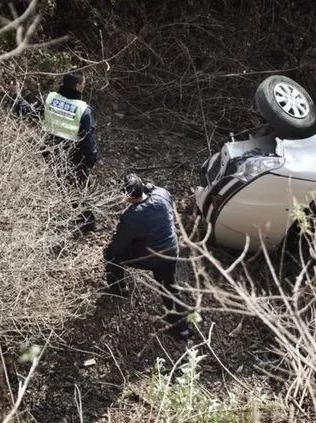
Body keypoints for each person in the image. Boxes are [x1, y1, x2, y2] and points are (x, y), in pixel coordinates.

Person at [104, 173, 191, 341]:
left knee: (111, 255)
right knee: (170, 289)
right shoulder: (162, 194)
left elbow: (117, 246)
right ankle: (182, 330)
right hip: (171, 250)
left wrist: (111, 250)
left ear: (127, 197)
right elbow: (156, 191)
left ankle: (119, 288)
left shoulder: (131, 216)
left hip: (152, 256)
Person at [12, 70, 99, 232]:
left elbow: (30, 114)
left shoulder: (49, 98)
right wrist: (91, 158)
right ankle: (86, 224)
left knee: (63, 182)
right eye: (83, 83)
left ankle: (74, 214)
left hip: (50, 151)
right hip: (74, 155)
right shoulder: (83, 109)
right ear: (79, 85)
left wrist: (17, 98)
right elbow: (88, 138)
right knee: (80, 188)